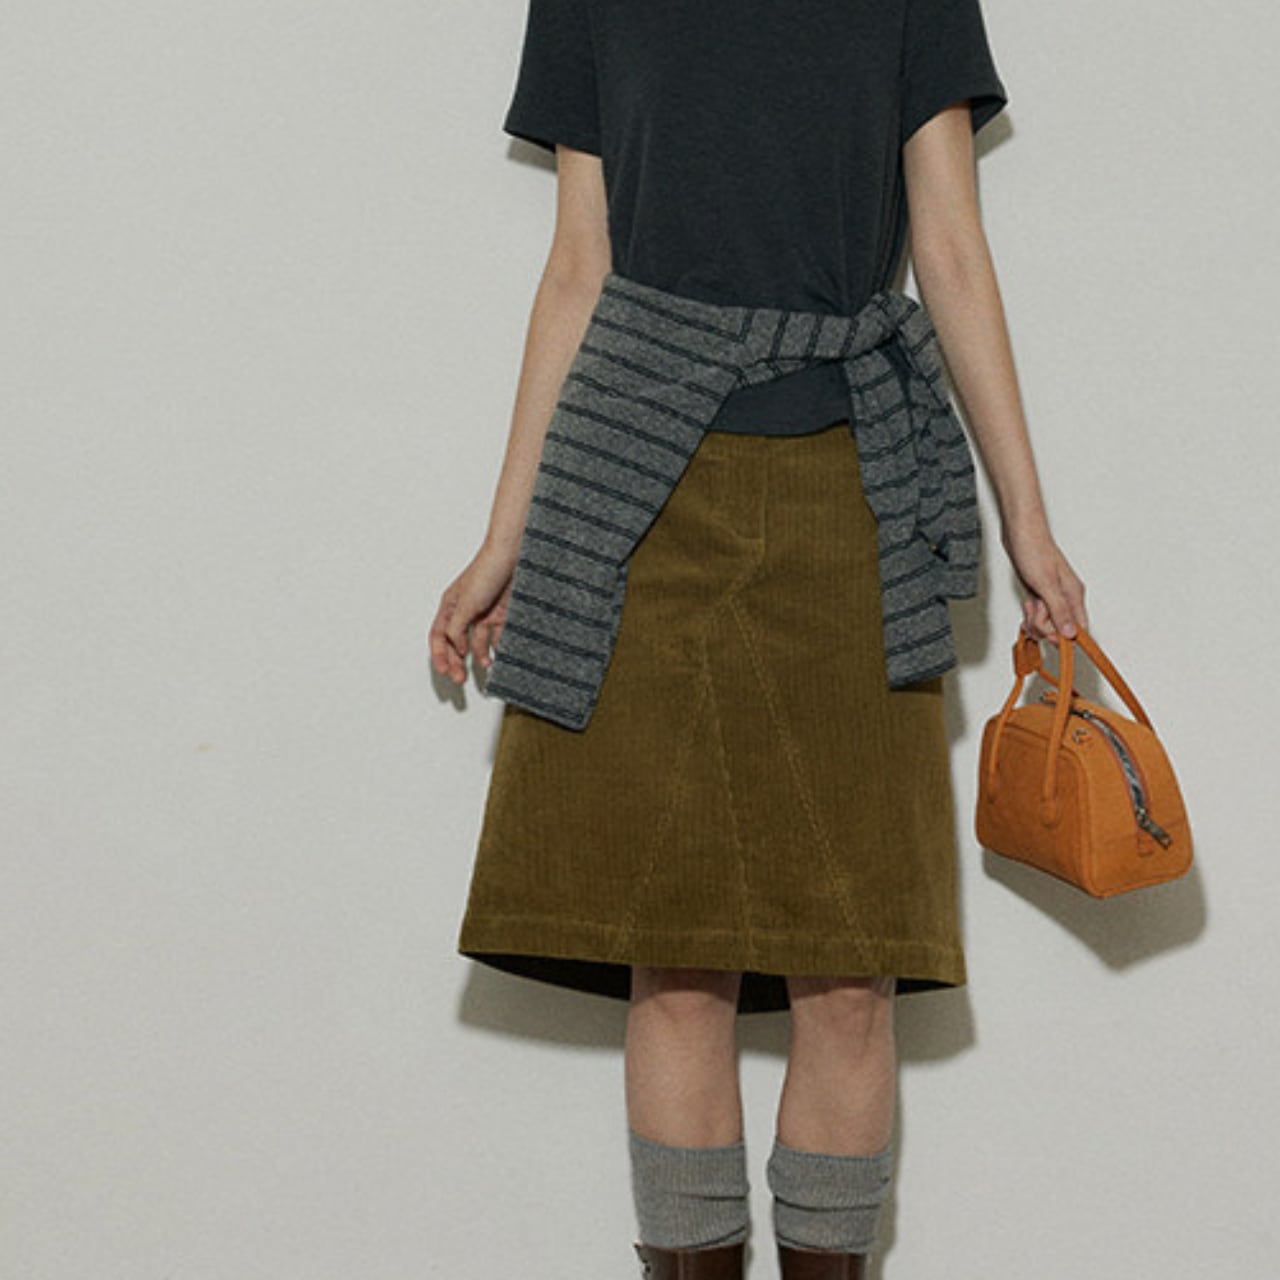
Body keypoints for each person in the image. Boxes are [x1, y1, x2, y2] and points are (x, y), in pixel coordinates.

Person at [429, 2, 1089, 1276]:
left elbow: (949, 249)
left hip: (849, 486)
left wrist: (1027, 520)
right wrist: (504, 534)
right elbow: (577, 264)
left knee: (851, 968)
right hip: (636, 476)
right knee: (674, 960)